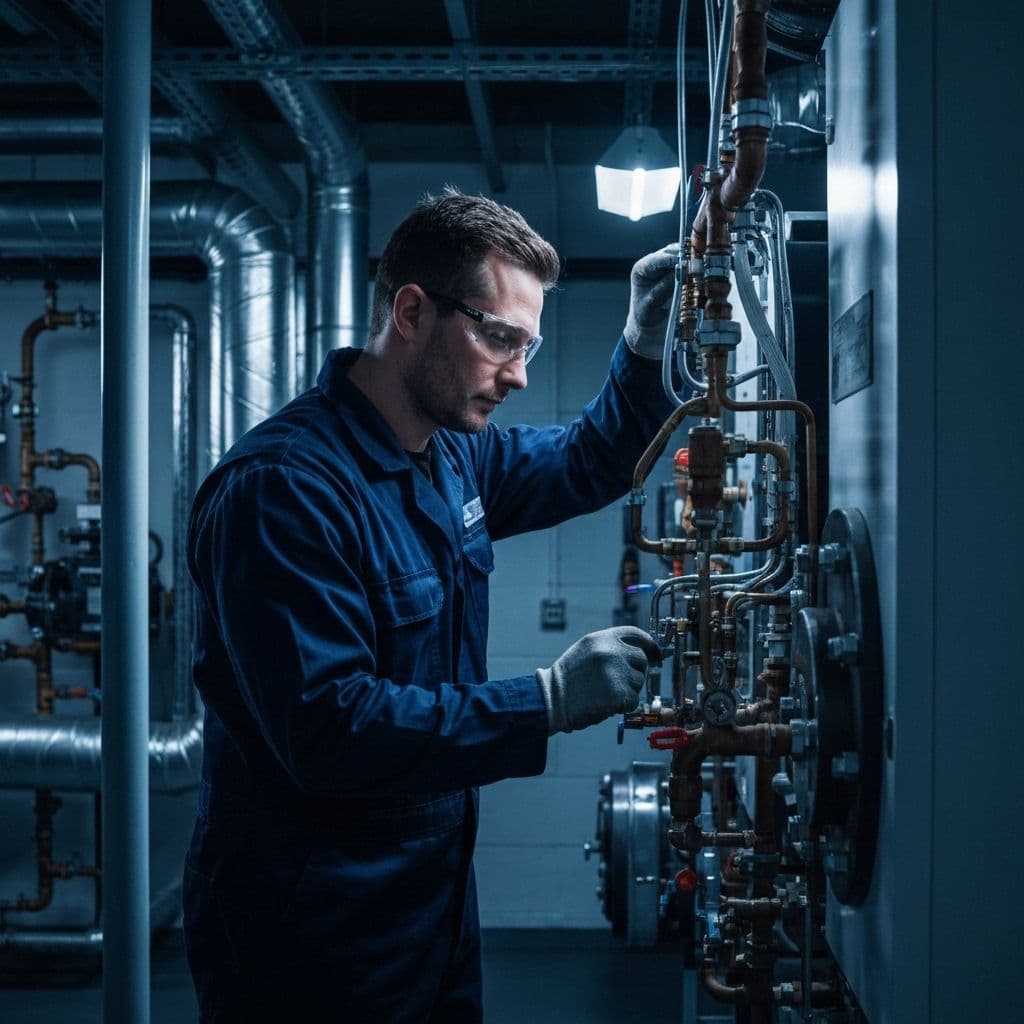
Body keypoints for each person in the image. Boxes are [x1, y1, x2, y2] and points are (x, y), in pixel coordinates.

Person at [183, 187, 679, 1023]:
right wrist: (546, 701)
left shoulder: (449, 459)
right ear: (412, 310)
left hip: (433, 910)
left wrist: (643, 343)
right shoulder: (285, 490)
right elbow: (331, 731)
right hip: (309, 937)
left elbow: (590, 460)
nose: (519, 374)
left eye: (530, 345)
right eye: (501, 340)